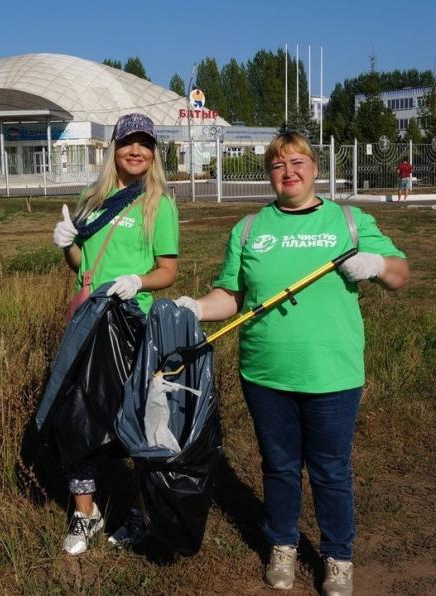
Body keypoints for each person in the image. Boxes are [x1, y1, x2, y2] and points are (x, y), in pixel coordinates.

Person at [174, 132, 409, 595]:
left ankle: (337, 557)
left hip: (333, 373)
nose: (290, 172)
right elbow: (232, 296)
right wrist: (195, 308)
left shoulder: (350, 220)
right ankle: (282, 544)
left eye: (298, 162)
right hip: (265, 373)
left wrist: (376, 264)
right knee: (279, 466)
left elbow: (401, 274)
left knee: (330, 469)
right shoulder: (248, 228)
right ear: (269, 174)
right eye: (279, 165)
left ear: (315, 168)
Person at [50, 112, 180, 555]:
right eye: (128, 142)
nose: (136, 150)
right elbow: (80, 267)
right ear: (115, 148)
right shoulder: (93, 197)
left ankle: (141, 513)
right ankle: (85, 514)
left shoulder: (158, 203)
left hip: (130, 326)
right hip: (87, 323)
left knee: (135, 420)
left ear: (153, 151)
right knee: (76, 418)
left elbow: (168, 270)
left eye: (145, 143)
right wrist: (67, 242)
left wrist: (138, 282)